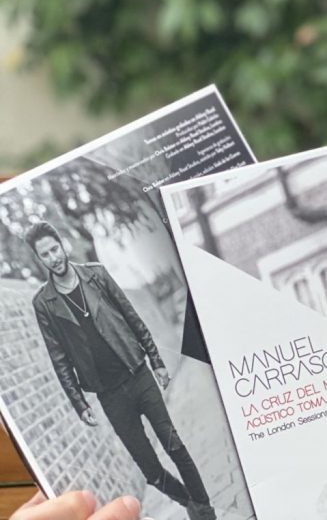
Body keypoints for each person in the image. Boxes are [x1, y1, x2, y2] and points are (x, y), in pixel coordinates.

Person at [26, 222, 216, 520]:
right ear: (40, 260)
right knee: (151, 470)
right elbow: (58, 356)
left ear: (63, 246)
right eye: (45, 254)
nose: (54, 257)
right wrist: (78, 401)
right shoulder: (44, 303)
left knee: (174, 446)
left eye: (55, 249)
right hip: (109, 394)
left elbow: (132, 316)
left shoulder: (97, 274)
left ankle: (205, 510)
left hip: (138, 374)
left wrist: (156, 361)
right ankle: (188, 501)